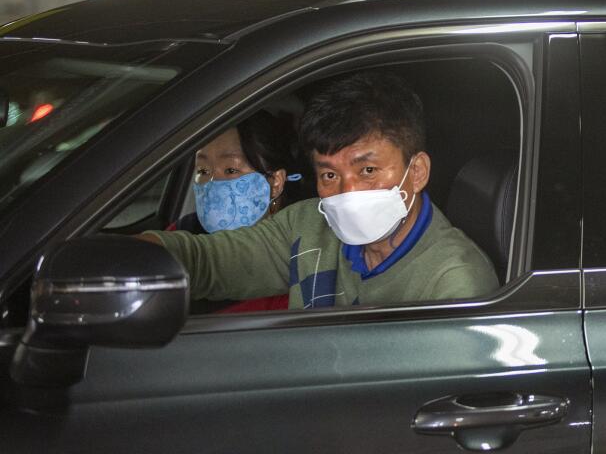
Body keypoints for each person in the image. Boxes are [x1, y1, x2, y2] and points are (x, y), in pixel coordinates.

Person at [142, 70, 498, 308]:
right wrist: (129, 255)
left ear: (416, 171)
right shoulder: (307, 227)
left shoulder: (454, 282)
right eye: (329, 175)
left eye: (368, 170)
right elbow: (206, 262)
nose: (348, 190)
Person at [175, 111, 303, 312]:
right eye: (203, 171)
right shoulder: (183, 231)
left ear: (275, 181)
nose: (213, 184)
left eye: (231, 170)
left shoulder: (296, 266)